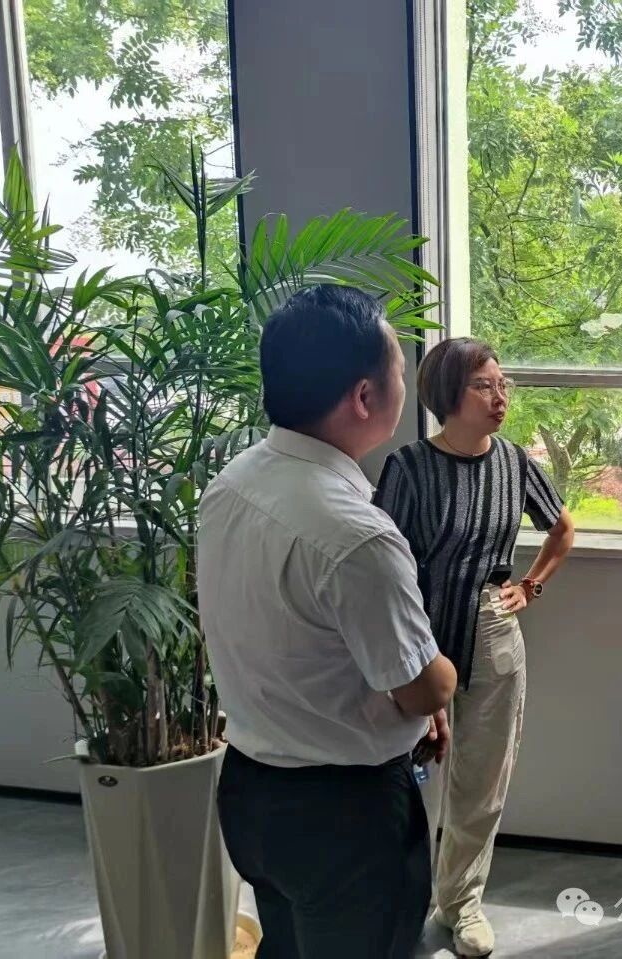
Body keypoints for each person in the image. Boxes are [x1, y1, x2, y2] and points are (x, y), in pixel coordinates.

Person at [200, 284, 457, 958]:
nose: (406, 383)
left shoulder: (232, 482)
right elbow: (423, 688)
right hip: (344, 815)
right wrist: (444, 676)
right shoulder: (356, 534)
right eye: (399, 368)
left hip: (250, 789)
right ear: (365, 397)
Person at [375, 337, 575, 957]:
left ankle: (461, 903)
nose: (500, 396)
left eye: (503, 384)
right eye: (484, 385)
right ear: (447, 394)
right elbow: (384, 565)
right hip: (417, 634)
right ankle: (397, 901)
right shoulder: (409, 467)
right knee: (407, 777)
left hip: (492, 631)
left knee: (482, 779)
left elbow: (561, 527)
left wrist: (530, 586)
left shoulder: (514, 462)